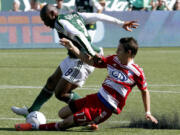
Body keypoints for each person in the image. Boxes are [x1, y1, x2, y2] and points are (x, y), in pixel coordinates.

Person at [11, 4, 138, 126]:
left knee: (60, 93)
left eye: (44, 19)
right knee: (51, 81)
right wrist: (121, 23)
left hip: (83, 59)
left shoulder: (60, 23)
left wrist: (91, 53)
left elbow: (79, 35)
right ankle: (32, 109)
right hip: (74, 56)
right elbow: (99, 17)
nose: (44, 23)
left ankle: (90, 116)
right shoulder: (74, 15)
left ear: (52, 14)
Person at [15, 37, 158, 131]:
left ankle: (35, 127)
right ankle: (88, 121)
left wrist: (148, 112)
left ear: (129, 52)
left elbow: (144, 91)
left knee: (64, 124)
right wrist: (72, 47)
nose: (116, 51)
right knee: (62, 114)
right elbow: (89, 61)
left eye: (119, 49)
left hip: (104, 108)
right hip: (94, 98)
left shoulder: (137, 72)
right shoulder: (113, 59)